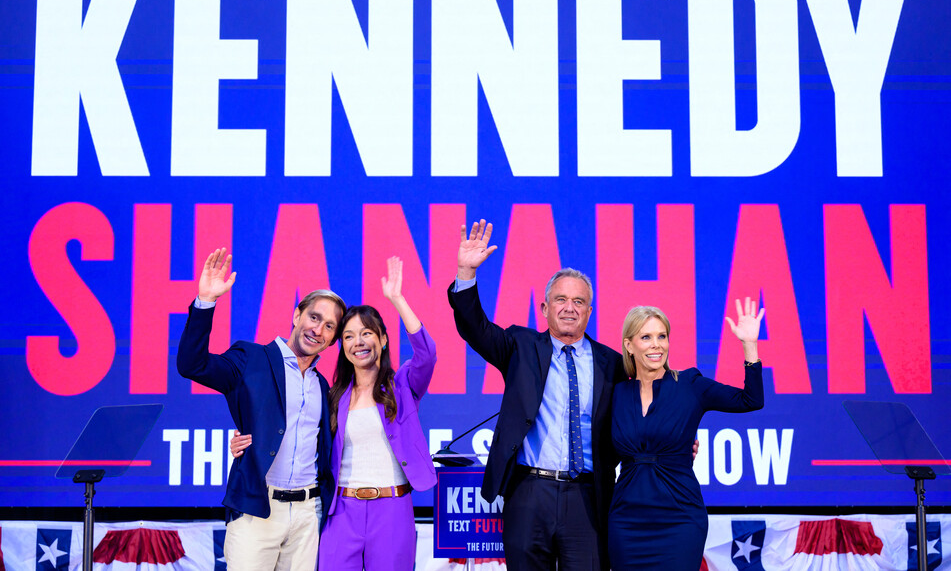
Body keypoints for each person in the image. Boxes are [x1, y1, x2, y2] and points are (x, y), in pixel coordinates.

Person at [231, 256, 437, 570]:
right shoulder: (333, 395)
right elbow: (298, 435)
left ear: (382, 339)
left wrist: (397, 299)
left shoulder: (402, 387)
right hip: (341, 511)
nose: (358, 342)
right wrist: (247, 441)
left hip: (393, 508)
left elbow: (427, 354)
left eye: (367, 333)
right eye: (349, 336)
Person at [447, 220, 626, 570]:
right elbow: (474, 327)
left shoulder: (614, 364)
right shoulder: (521, 346)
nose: (570, 307)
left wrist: (676, 439)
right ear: (545, 309)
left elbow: (644, 407)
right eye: (560, 299)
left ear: (590, 312)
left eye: (579, 301)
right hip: (529, 492)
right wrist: (466, 272)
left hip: (589, 497)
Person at [177, 248, 345, 571]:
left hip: (308, 516)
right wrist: (205, 303)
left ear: (332, 339)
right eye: (314, 317)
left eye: (329, 327)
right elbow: (191, 365)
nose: (318, 330)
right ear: (297, 315)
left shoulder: (323, 387)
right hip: (258, 508)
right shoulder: (250, 359)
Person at [608, 298, 765, 570]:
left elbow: (750, 400)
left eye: (662, 336)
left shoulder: (690, 385)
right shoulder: (617, 394)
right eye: (646, 337)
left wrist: (749, 344)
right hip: (626, 521)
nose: (657, 344)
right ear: (629, 345)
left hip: (679, 519)